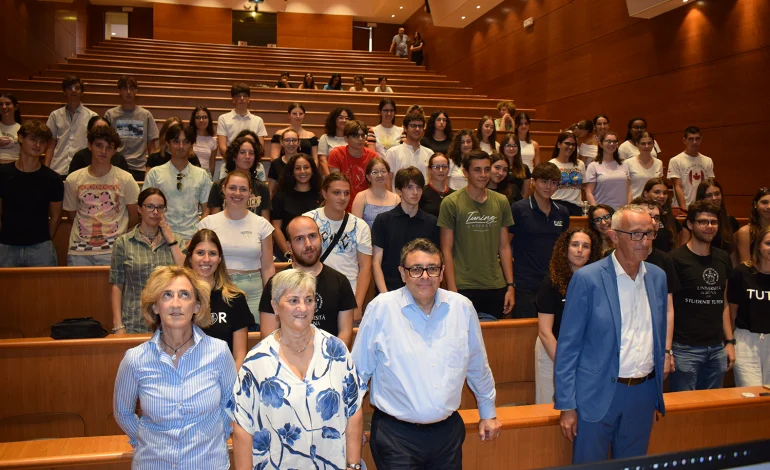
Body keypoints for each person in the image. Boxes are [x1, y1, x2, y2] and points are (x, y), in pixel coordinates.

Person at [352, 238, 502, 469]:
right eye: (416, 269)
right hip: (396, 435)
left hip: (447, 433)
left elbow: (477, 364)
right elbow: (358, 374)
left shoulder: (462, 308)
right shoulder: (381, 309)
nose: (425, 276)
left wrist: (488, 411)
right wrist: (350, 423)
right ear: (402, 273)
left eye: (432, 269)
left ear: (442, 273)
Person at [554, 204, 668, 464]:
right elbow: (568, 346)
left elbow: (657, 336)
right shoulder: (588, 279)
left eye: (649, 233)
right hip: (596, 394)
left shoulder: (658, 277)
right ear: (614, 236)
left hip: (643, 392)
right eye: (636, 234)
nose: (645, 241)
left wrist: (653, 394)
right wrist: (567, 405)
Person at [230, 269, 365, 470]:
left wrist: (353, 465)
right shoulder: (256, 361)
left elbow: (354, 411)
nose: (302, 308)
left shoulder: (336, 350)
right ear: (275, 307)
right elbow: (242, 428)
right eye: (293, 300)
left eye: (309, 300)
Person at [114, 265, 236, 470]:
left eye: (185, 295)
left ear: (197, 305)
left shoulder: (219, 352)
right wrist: (148, 441)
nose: (176, 304)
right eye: (167, 295)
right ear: (155, 306)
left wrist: (214, 436)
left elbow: (231, 403)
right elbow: (122, 413)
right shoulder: (135, 359)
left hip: (207, 463)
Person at [438, 150, 515, 319]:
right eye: (477, 170)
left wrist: (510, 286)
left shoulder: (501, 201)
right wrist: (452, 290)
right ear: (465, 173)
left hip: (495, 284)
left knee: (494, 342)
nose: (483, 175)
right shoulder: (451, 202)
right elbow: (446, 251)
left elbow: (504, 247)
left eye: (487, 169)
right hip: (463, 285)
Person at [260, 216, 357, 348]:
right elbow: (268, 337)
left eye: (312, 236)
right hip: (286, 361)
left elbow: (345, 334)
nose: (308, 244)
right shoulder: (276, 283)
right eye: (299, 239)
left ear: (320, 238)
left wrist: (328, 362)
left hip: (328, 360)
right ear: (289, 246)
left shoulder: (340, 282)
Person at [669, 200, 735, 391]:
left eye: (713, 222)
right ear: (690, 224)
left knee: (712, 411)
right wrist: (669, 350)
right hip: (685, 348)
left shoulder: (723, 258)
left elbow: (723, 303)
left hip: (716, 347)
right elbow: (669, 307)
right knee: (685, 410)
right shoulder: (675, 259)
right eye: (703, 222)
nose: (709, 227)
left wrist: (729, 342)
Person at [198, 170, 275, 321]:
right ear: (223, 189)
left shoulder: (262, 225)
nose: (237, 193)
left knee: (254, 338)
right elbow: (199, 263)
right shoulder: (207, 224)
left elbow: (267, 267)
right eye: (232, 188)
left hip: (253, 293)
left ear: (250, 193)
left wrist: (270, 298)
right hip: (217, 289)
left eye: (243, 189)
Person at [536, 228, 601, 404]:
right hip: (553, 349)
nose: (580, 250)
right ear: (565, 249)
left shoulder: (598, 282)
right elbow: (544, 332)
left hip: (585, 355)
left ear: (591, 253)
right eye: (575, 245)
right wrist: (565, 365)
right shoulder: (551, 282)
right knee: (550, 405)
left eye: (585, 246)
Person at [110, 187, 184, 334]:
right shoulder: (123, 243)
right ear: (139, 209)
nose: (155, 212)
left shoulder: (176, 241)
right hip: (134, 320)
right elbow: (117, 285)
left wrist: (170, 239)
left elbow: (185, 272)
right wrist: (118, 324)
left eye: (160, 208)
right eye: (150, 207)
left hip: (168, 321)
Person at [63, 125, 139, 266]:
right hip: (79, 251)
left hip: (112, 250)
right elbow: (71, 214)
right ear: (89, 145)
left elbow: (134, 216)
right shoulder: (73, 179)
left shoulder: (126, 179)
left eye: (109, 147)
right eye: (99, 145)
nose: (103, 151)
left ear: (114, 151)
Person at [304, 173, 372, 322]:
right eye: (336, 192)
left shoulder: (360, 226)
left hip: (347, 295)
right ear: (324, 193)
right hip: (311, 294)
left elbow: (365, 268)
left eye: (346, 193)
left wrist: (358, 304)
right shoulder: (307, 220)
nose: (342, 197)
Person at [186, 229, 254, 369]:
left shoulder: (235, 299)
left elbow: (239, 355)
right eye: (200, 253)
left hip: (224, 379)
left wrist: (230, 387)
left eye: (212, 253)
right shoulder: (179, 298)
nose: (206, 259)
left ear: (220, 259)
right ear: (190, 257)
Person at [509, 162, 571, 318]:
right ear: (533, 182)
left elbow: (562, 247)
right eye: (544, 181)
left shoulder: (562, 212)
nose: (548, 187)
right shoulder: (518, 209)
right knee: (526, 332)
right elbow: (505, 244)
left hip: (552, 282)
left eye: (553, 182)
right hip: (525, 283)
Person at [0, 120, 63, 267]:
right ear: (21, 138)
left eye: (42, 142)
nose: (37, 145)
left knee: (44, 290)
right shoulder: (3, 174)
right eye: (33, 139)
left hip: (40, 247)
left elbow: (56, 216)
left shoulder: (52, 179)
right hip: (6, 246)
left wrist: (44, 239)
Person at [372, 167, 440, 292]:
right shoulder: (383, 220)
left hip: (422, 290)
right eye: (409, 187)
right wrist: (385, 295)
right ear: (398, 190)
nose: (415, 192)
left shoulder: (432, 222)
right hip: (389, 290)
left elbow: (436, 262)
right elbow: (376, 263)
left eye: (418, 187)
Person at [144, 124, 210, 241]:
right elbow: (146, 209)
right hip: (161, 238)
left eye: (185, 142)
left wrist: (196, 237)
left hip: (192, 238)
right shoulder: (155, 174)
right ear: (167, 144)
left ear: (191, 144)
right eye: (176, 141)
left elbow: (207, 210)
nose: (181, 146)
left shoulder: (202, 175)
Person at [728, 225, 770, 387]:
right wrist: (729, 342)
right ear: (758, 245)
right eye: (768, 243)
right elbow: (732, 312)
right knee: (750, 395)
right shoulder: (742, 272)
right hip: (746, 340)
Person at [104, 75, 160, 181]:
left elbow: (151, 147)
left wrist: (152, 169)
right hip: (116, 166)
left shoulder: (146, 115)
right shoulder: (110, 115)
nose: (128, 92)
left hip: (139, 169)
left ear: (136, 91)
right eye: (125, 88)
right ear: (119, 91)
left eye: (132, 88)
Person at [271, 153, 323, 262]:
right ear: (292, 172)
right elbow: (276, 228)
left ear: (313, 170)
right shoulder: (280, 196)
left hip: (316, 253)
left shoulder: (322, 196)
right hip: (286, 254)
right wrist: (289, 254)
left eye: (306, 167)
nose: (302, 171)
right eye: (298, 168)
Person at [44, 76, 98, 177]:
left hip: (83, 170)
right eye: (69, 88)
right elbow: (50, 146)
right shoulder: (55, 115)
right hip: (58, 168)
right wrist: (46, 170)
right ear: (64, 92)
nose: (73, 90)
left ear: (82, 92)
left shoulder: (92, 116)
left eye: (77, 88)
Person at [206, 137, 270, 220]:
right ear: (234, 156)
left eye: (251, 153)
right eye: (242, 152)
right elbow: (215, 221)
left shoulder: (262, 187)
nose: (247, 156)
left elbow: (265, 222)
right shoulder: (218, 186)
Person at [681, 178, 738, 261]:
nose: (714, 198)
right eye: (709, 195)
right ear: (701, 198)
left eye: (717, 194)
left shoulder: (731, 221)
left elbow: (733, 253)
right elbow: (683, 251)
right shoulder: (691, 221)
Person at [328, 119, 379, 211]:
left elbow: (375, 184)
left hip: (366, 205)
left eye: (363, 135)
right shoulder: (336, 154)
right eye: (355, 135)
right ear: (346, 138)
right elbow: (336, 183)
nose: (360, 139)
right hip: (342, 203)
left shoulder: (373, 156)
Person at [667, 126, 715, 211]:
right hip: (683, 208)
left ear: (701, 139)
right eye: (690, 139)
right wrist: (684, 209)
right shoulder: (675, 160)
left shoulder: (708, 161)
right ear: (684, 140)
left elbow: (710, 186)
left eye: (697, 139)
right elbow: (678, 187)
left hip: (702, 208)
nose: (694, 142)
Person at [384, 111, 434, 188]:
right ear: (405, 128)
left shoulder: (430, 153)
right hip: (399, 199)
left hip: (424, 198)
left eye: (420, 126)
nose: (417, 129)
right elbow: (387, 180)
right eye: (413, 126)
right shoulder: (393, 152)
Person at [216, 82, 267, 158]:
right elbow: (222, 147)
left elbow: (261, 147)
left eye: (245, 96)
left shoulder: (258, 120)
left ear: (249, 99)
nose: (242, 98)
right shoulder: (223, 118)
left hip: (252, 162)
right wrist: (235, 161)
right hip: (231, 162)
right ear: (233, 99)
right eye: (238, 96)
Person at [585, 131, 631, 210]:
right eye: (608, 141)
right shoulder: (593, 166)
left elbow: (629, 191)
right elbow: (589, 192)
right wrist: (597, 210)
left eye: (614, 141)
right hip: (603, 212)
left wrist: (629, 208)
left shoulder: (624, 165)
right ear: (601, 144)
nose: (611, 144)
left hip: (622, 212)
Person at [351, 157, 400, 228]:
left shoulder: (396, 198)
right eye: (375, 172)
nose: (380, 175)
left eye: (383, 171)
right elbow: (355, 227)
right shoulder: (361, 197)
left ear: (388, 174)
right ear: (368, 177)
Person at [269, 102, 319, 167]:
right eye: (294, 114)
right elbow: (274, 157)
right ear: (289, 115)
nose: (298, 116)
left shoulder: (311, 136)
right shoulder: (279, 134)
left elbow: (315, 159)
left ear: (304, 115)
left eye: (301, 114)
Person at [549, 131, 585, 216]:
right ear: (559, 145)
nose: (571, 147)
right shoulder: (551, 164)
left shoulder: (580, 164)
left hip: (576, 206)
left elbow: (583, 187)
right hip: (556, 205)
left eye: (573, 144)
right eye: (567, 143)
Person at [643, 177, 681, 253]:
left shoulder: (670, 219)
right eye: (657, 192)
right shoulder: (638, 216)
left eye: (665, 193)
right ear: (646, 193)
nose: (662, 196)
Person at [736, 188, 770, 264]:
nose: (769, 207)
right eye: (764, 202)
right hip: (754, 274)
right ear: (755, 205)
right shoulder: (745, 232)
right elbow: (745, 266)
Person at [626, 130, 663, 199]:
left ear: (653, 144)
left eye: (649, 143)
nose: (647, 146)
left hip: (653, 204)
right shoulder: (628, 163)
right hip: (635, 204)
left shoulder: (659, 163)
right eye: (643, 144)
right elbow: (627, 190)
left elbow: (659, 187)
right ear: (637, 145)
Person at [318, 107, 354, 176]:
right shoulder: (325, 138)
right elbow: (323, 160)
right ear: (334, 120)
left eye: (347, 118)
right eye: (341, 117)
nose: (344, 120)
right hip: (330, 176)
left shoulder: (353, 138)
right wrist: (330, 178)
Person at [268, 128, 302, 195]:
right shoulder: (275, 163)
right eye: (287, 140)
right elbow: (270, 190)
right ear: (281, 142)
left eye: (294, 140)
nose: (291, 143)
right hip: (281, 202)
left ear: (299, 142)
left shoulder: (306, 162)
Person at [420, 152, 454, 217]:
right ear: (429, 169)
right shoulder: (421, 193)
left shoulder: (454, 195)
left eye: (444, 167)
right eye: (436, 167)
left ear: (448, 169)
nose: (441, 170)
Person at [500, 133, 531, 198]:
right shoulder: (497, 167)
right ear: (502, 147)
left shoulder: (524, 168)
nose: (511, 148)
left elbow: (525, 194)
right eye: (508, 145)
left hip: (517, 204)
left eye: (514, 145)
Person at [190, 105, 218, 176]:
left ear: (209, 119)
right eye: (198, 118)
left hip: (205, 175)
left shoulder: (213, 141)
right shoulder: (188, 138)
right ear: (194, 120)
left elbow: (212, 163)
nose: (201, 120)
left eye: (204, 117)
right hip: (190, 174)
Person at [0, 93, 22, 164]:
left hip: (15, 167)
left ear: (16, 107)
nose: (4, 107)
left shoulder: (22, 128)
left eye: (7, 104)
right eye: (1, 104)